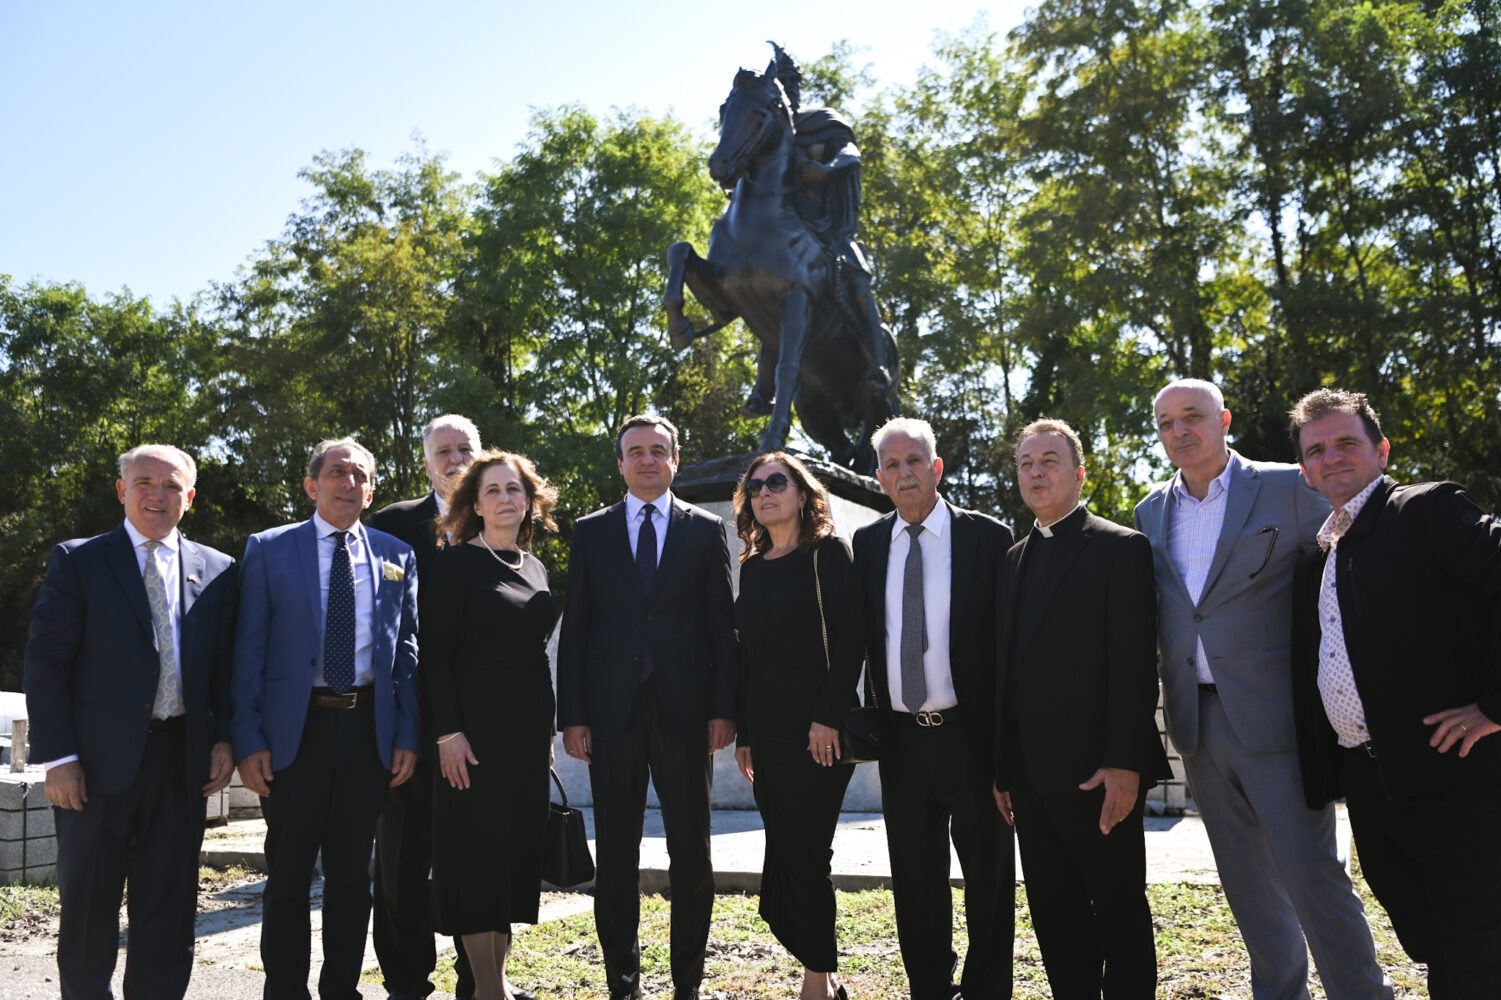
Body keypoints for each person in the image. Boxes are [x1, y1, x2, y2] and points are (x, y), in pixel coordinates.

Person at [1134, 378, 1390, 1000]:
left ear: (1224, 420)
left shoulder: (1290, 487)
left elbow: (1357, 557)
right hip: (1196, 724)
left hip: (1278, 720)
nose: (1179, 431)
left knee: (1312, 875)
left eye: (1192, 416)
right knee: (1245, 884)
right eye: (1166, 423)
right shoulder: (1149, 512)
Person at [1289, 388, 1501, 997]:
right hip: (1372, 787)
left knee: (1479, 949)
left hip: (1456, 776)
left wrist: (1494, 706)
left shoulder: (1424, 510)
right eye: (1316, 450)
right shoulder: (1321, 556)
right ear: (1304, 472)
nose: (1331, 457)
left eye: (1346, 443)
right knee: (1430, 943)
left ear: (1381, 451)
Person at [23, 444, 238, 1000]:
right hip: (94, 765)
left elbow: (224, 667)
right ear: (122, 490)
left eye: (171, 486)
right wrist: (59, 757)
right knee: (89, 903)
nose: (156, 495)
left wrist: (223, 738)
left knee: (169, 905)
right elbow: (46, 665)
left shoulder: (217, 569)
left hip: (180, 760)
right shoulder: (80, 560)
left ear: (190, 497)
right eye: (144, 482)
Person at [231, 437, 421, 1000]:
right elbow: (248, 651)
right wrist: (248, 737)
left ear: (372, 491)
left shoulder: (396, 555)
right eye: (338, 472)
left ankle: (342, 989)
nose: (349, 482)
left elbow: (406, 653)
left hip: (367, 734)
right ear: (312, 485)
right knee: (288, 874)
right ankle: (285, 990)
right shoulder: (269, 549)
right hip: (295, 735)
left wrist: (407, 732)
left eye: (360, 475)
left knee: (351, 877)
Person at [556, 413, 737, 1000]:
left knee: (692, 852)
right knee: (616, 855)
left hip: (687, 716)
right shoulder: (592, 532)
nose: (647, 460)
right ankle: (623, 983)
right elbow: (576, 629)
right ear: (620, 463)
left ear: (675, 461)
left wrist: (723, 708)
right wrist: (573, 716)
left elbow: (722, 627)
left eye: (658, 450)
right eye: (635, 451)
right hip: (612, 716)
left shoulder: (706, 530)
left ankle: (688, 984)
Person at [835, 416, 1014, 1000]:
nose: (904, 472)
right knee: (914, 877)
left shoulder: (988, 538)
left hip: (972, 737)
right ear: (879, 478)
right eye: (892, 464)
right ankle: (930, 987)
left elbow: (1007, 645)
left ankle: (987, 988)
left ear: (936, 468)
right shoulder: (868, 544)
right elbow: (857, 637)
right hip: (902, 740)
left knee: (989, 874)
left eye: (914, 460)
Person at [994, 420, 1168, 998]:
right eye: (1026, 463)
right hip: (1029, 779)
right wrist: (1002, 769)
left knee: (1119, 915)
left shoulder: (1120, 547)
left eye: (1049, 460)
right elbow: (1007, 675)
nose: (1036, 472)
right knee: (1055, 918)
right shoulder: (1012, 559)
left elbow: (1134, 666)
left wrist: (1125, 764)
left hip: (1099, 775)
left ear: (1078, 473)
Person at [425, 450, 558, 1000]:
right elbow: (434, 656)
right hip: (472, 738)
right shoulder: (455, 565)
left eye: (514, 489)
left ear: (529, 501)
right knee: (476, 860)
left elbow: (537, 656)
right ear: (475, 505)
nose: (506, 498)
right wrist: (447, 733)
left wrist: (546, 735)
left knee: (513, 857)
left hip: (526, 738)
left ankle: (496, 982)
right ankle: (487, 990)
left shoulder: (535, 567)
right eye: (494, 490)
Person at [730, 451, 857, 1000]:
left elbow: (852, 641)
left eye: (777, 482)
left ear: (802, 494)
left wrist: (826, 716)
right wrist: (745, 735)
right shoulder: (753, 566)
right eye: (756, 486)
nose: (765, 492)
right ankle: (824, 973)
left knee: (806, 852)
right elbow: (748, 657)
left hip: (819, 733)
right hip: (768, 734)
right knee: (785, 849)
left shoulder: (828, 553)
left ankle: (816, 983)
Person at [369, 413, 482, 1000]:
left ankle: (479, 977)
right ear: (427, 461)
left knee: (474, 853)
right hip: (409, 715)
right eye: (444, 450)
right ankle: (407, 979)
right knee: (402, 854)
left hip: (483, 716)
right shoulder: (391, 525)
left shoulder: (504, 512)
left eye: (465, 448)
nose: (455, 458)